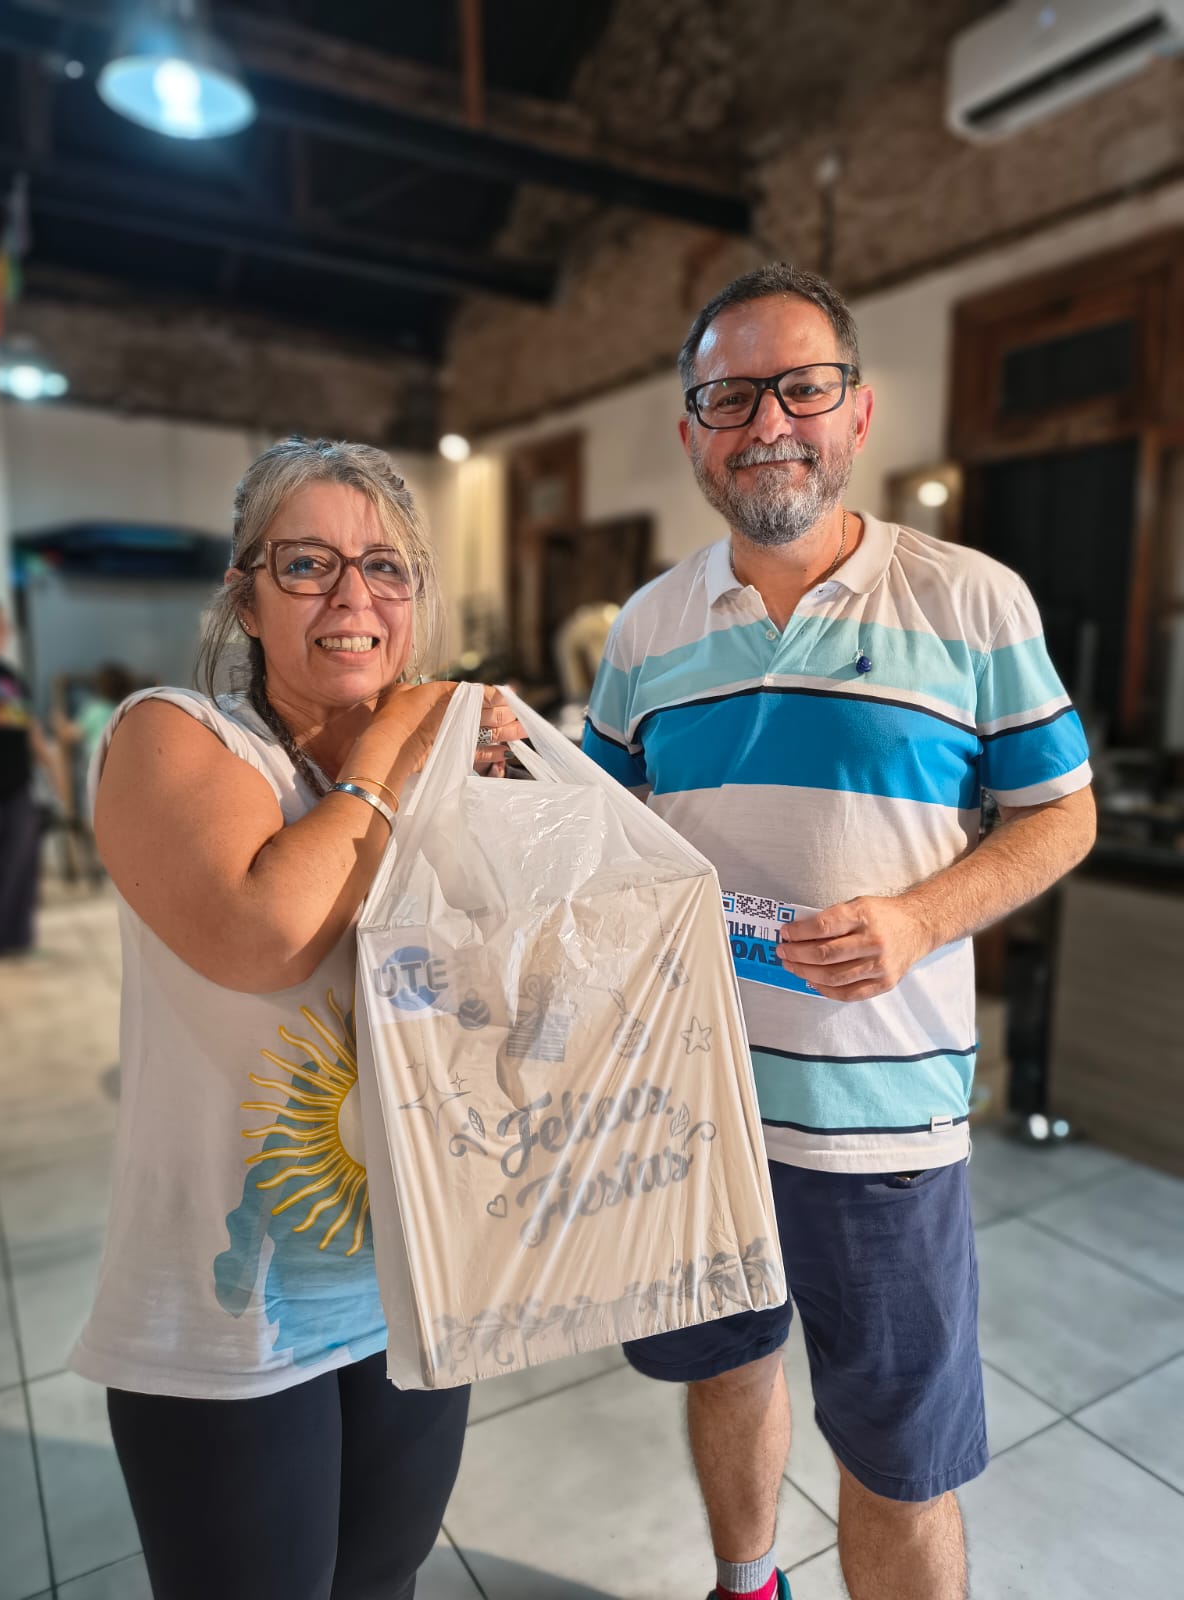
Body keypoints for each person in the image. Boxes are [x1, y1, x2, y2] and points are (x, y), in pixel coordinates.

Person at [581, 264, 1095, 1600]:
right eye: (731, 396)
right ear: (692, 432)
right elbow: (598, 835)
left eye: (802, 388)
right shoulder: (646, 628)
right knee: (725, 1365)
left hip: (881, 1126)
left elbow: (1062, 812)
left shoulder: (971, 600)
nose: (769, 422)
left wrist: (921, 918)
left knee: (901, 1455)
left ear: (857, 414)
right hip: (693, 1109)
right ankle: (748, 1583)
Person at [69, 437, 523, 1600]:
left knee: (383, 1580)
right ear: (246, 596)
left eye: (385, 567)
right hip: (230, 1315)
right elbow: (262, 934)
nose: (352, 596)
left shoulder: (450, 772)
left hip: (414, 1282)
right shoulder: (176, 734)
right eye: (309, 563)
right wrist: (393, 747)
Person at [0, 597, 68, 957]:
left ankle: (8, 942)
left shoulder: (7, 678)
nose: (6, 633)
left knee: (18, 866)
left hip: (16, 786)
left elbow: (29, 730)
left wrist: (54, 776)